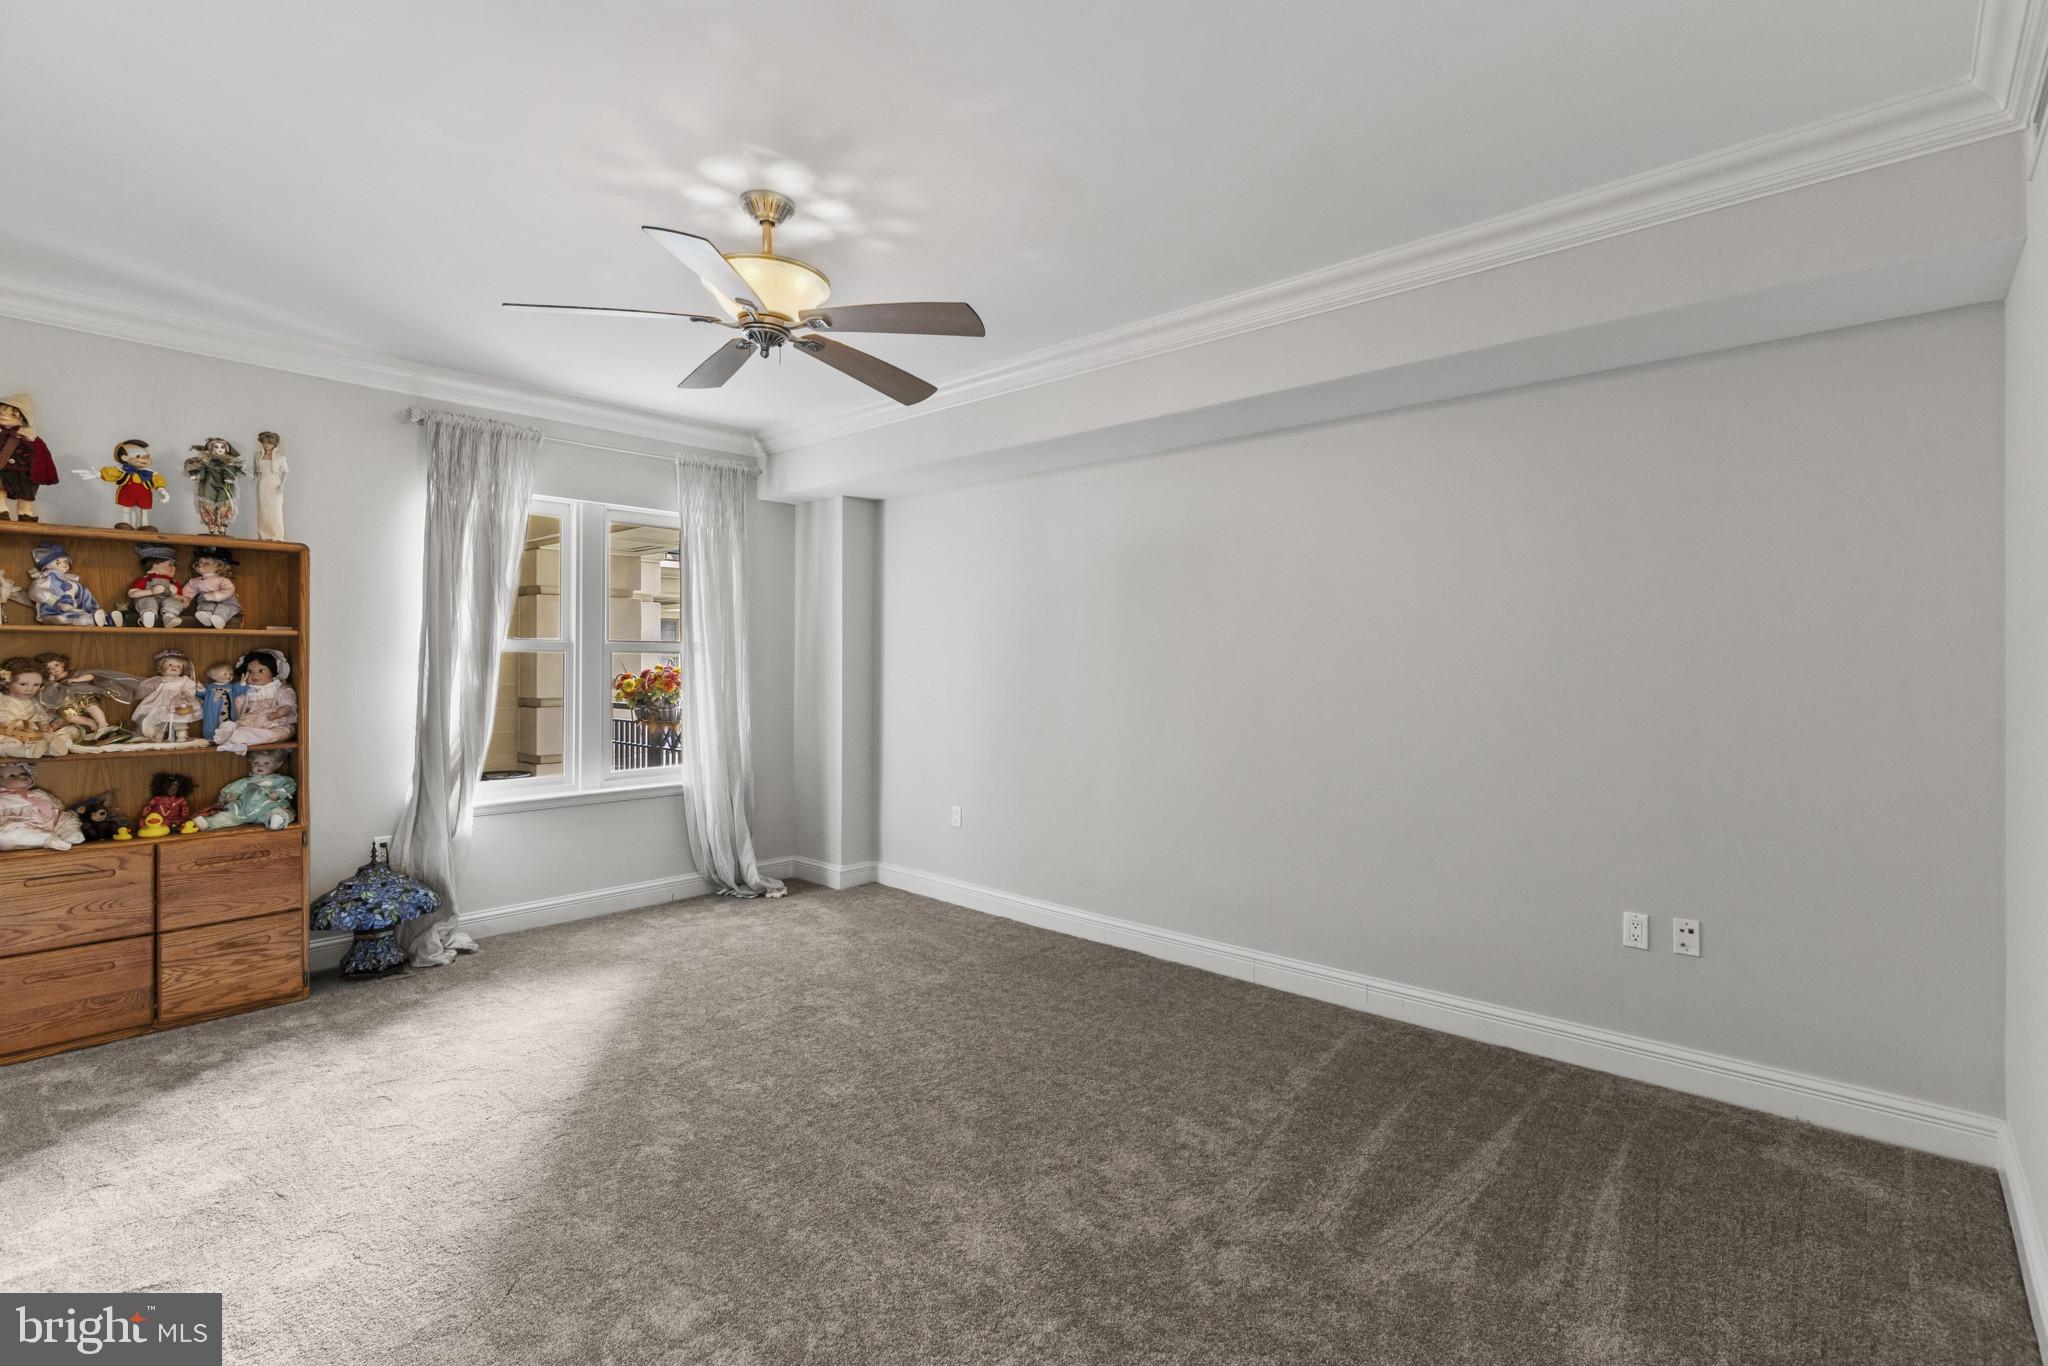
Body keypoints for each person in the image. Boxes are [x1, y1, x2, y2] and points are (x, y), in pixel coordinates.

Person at [0, 394, 57, 523]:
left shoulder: (31, 438)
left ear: (23, 418)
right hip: (2, 471)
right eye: (1, 413)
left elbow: (42, 456)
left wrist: (44, 473)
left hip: (25, 473)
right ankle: (1, 510)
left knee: (27, 494)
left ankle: (25, 512)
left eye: (12, 414)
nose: (3, 416)